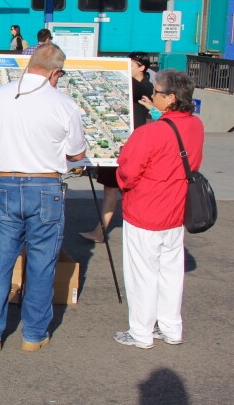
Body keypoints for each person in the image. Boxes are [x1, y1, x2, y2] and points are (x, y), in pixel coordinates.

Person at [0, 43, 87, 353]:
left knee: (0, 263)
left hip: (6, 184)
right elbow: (77, 153)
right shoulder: (64, 104)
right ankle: (33, 335)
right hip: (46, 187)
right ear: (56, 72)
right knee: (41, 264)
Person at [113, 69, 204, 349]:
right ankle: (171, 327)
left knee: (142, 273)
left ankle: (141, 331)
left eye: (157, 93)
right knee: (170, 272)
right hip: (176, 210)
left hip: (145, 209)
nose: (153, 96)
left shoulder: (150, 133)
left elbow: (127, 173)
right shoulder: (195, 126)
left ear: (171, 98)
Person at [80, 52, 155, 243]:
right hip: (118, 146)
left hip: (130, 147)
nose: (127, 67)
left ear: (142, 67)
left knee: (125, 189)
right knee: (112, 188)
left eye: (130, 65)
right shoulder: (134, 83)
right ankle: (100, 231)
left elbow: (136, 87)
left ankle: (144, 226)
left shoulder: (144, 86)